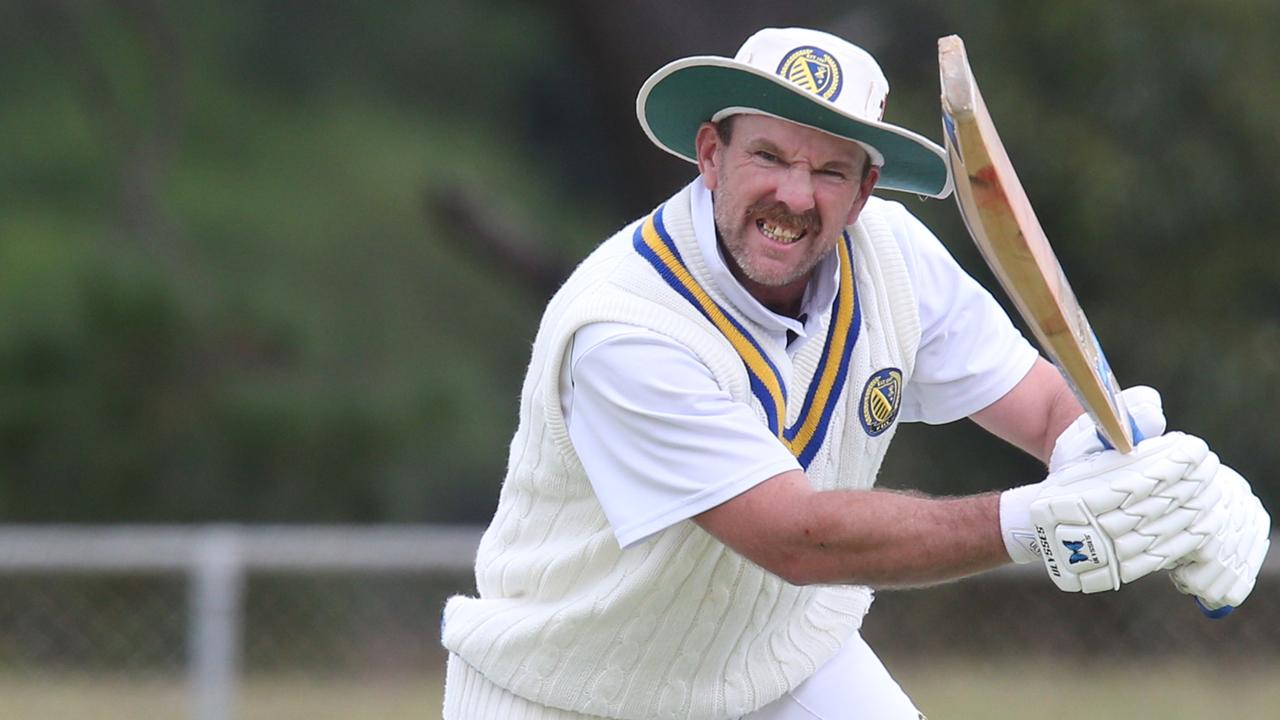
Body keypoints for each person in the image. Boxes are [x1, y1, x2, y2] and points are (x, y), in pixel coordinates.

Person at [441, 27, 1270, 720]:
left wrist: (1112, 456)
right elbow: (794, 538)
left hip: (786, 663)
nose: (793, 197)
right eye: (767, 154)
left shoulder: (894, 255)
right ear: (710, 154)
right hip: (568, 691)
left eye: (829, 170)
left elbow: (1045, 404)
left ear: (867, 187)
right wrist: (1033, 523)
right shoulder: (625, 327)